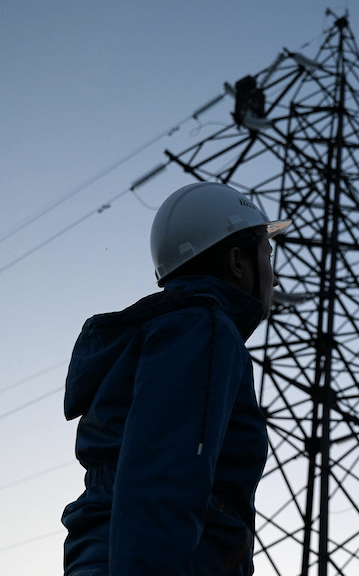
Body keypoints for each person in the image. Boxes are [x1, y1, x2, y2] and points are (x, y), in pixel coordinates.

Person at [61, 182, 290, 576]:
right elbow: (164, 479)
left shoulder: (166, 329)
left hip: (109, 554)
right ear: (238, 261)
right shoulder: (203, 328)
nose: (276, 279)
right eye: (266, 255)